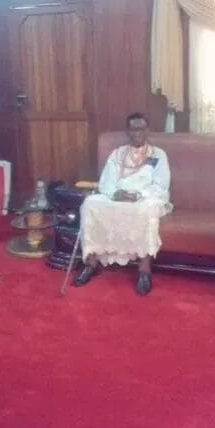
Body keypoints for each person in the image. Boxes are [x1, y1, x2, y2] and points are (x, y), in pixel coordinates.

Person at [73, 113, 171, 296]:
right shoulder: (117, 153)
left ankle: (144, 270)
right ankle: (91, 263)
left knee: (148, 209)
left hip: (144, 198)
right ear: (128, 132)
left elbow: (161, 185)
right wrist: (115, 194)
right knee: (90, 203)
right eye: (133, 129)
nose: (137, 133)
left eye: (141, 128)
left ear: (147, 130)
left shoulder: (159, 155)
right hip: (117, 197)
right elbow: (105, 182)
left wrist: (137, 195)